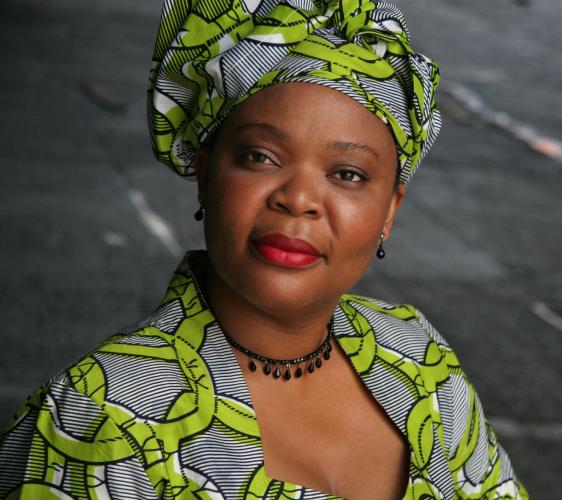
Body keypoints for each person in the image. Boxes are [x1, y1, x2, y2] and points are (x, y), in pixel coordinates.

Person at [0, 1, 527, 498]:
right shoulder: (99, 417)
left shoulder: (418, 359)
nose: (298, 199)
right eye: (261, 156)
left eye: (347, 174)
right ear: (205, 175)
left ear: (389, 209)